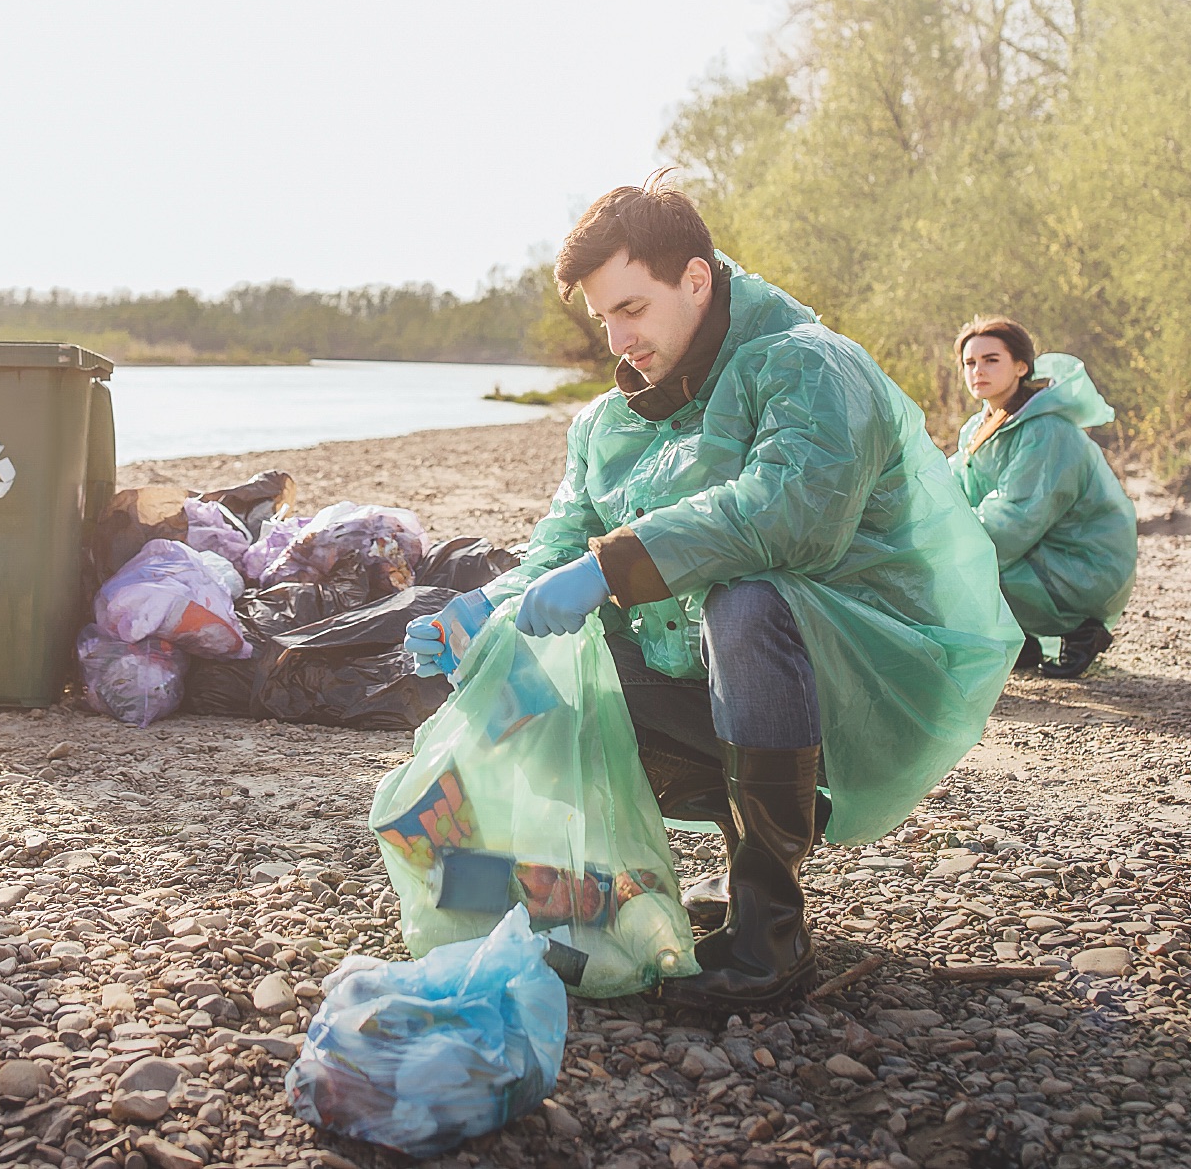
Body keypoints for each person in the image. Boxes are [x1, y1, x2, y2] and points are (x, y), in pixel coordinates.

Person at [404, 176, 1018, 1007]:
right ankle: (617, 887)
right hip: (711, 673)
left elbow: (791, 512)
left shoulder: (809, 365)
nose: (619, 339)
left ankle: (771, 933)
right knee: (526, 658)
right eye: (604, 320)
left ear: (695, 279)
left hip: (864, 672)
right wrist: (488, 608)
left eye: (633, 308)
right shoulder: (610, 421)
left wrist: (609, 567)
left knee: (747, 598)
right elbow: (555, 546)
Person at [948, 317, 1137, 679]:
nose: (978, 371)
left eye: (991, 360)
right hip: (1038, 553)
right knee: (943, 551)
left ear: (1021, 366)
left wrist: (943, 543)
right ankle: (1022, 639)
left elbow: (1017, 519)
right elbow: (947, 486)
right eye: (970, 363)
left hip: (1081, 565)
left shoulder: (1047, 429)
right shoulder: (978, 427)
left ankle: (1082, 630)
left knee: (954, 562)